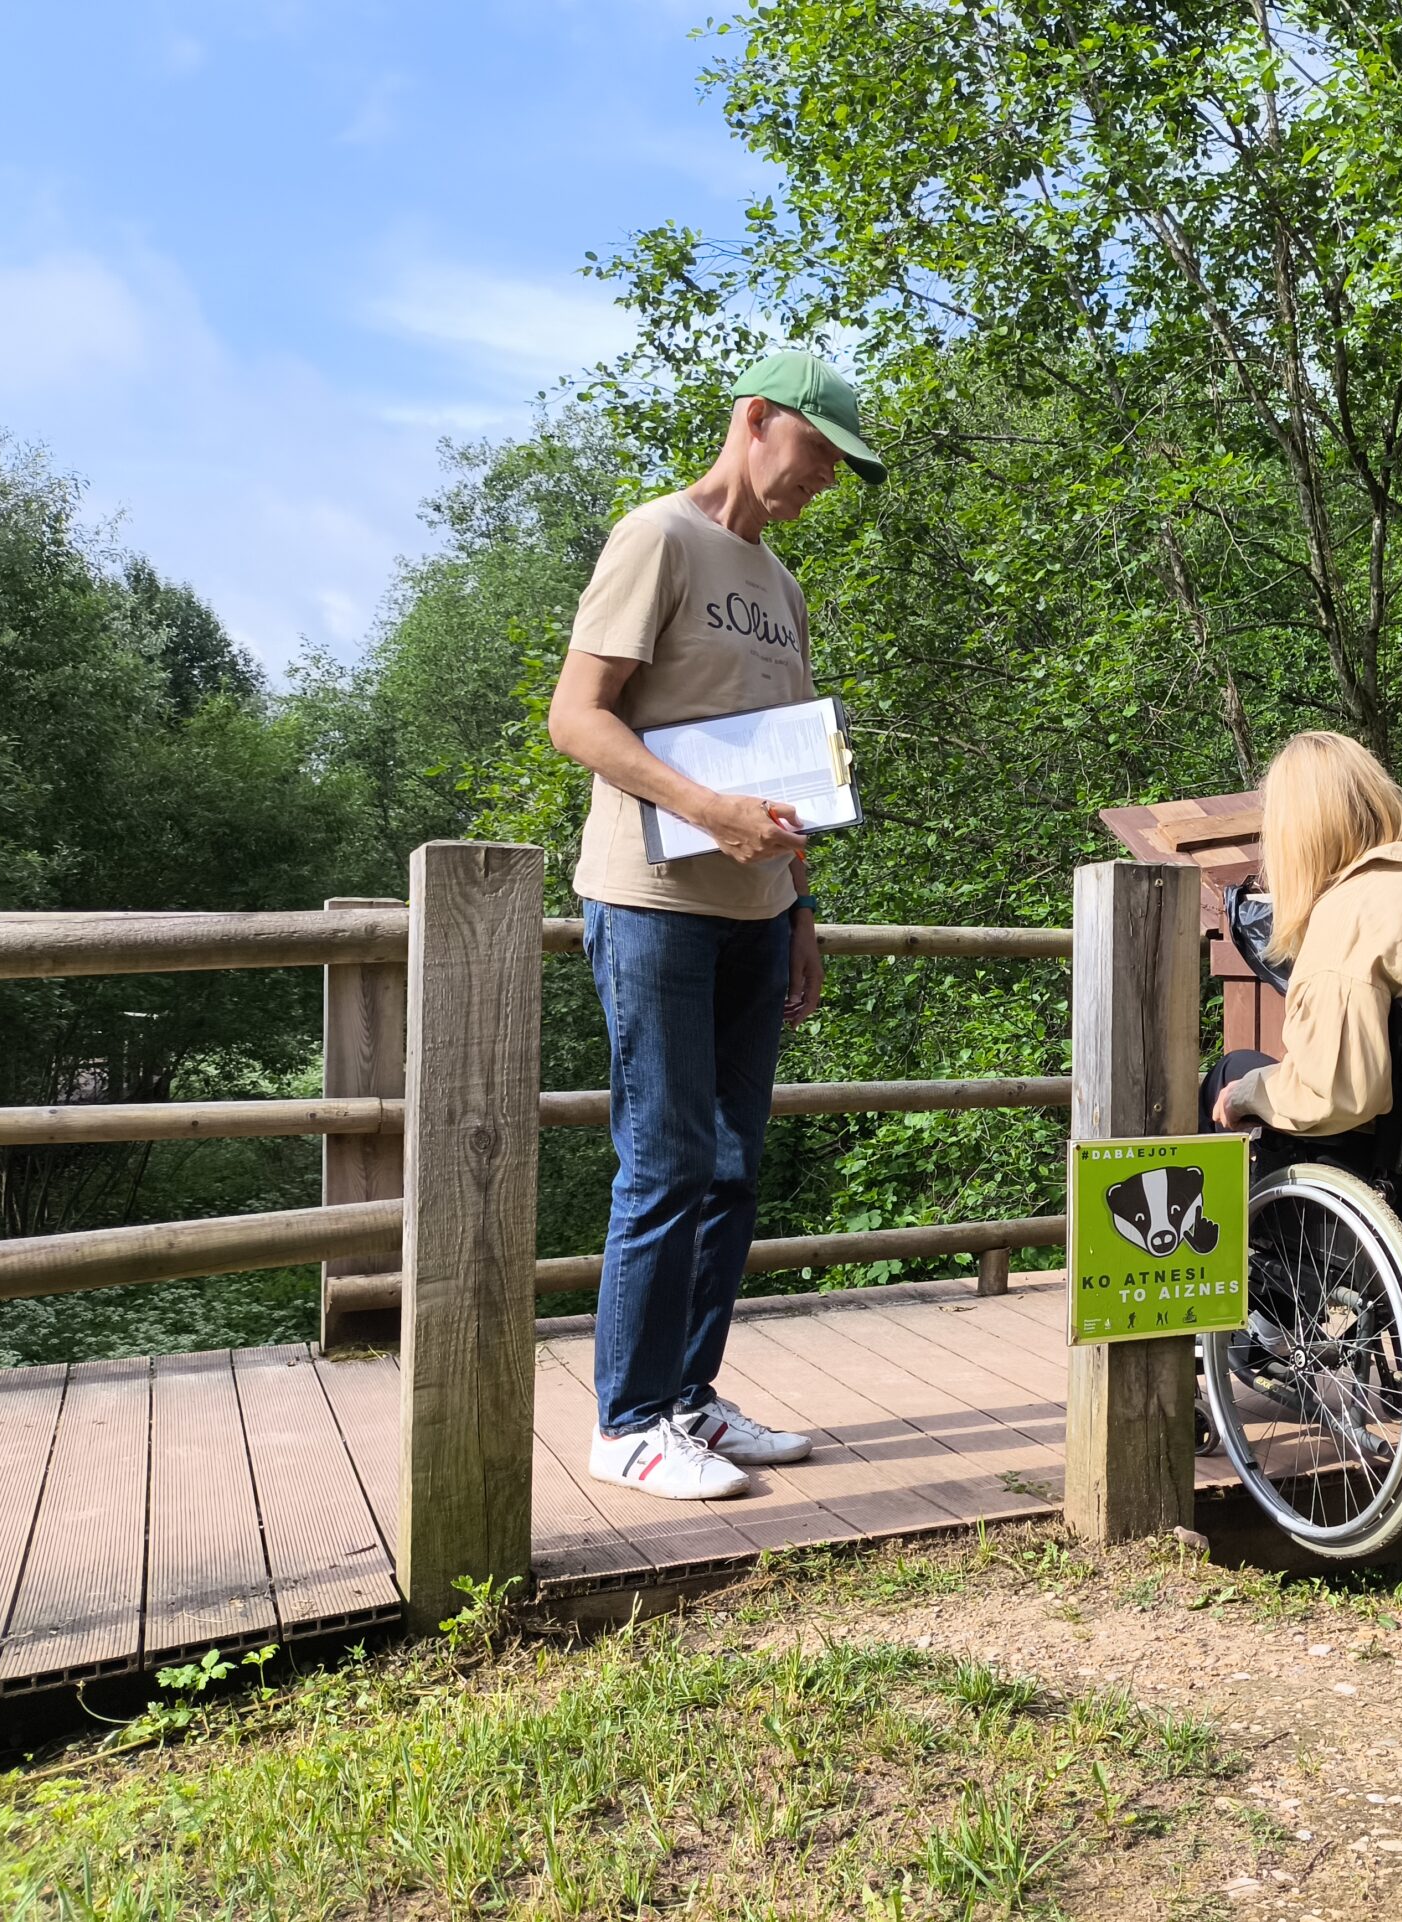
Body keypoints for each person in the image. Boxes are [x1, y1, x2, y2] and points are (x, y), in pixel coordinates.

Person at [546, 350, 886, 1502]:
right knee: (666, 1159)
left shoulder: (779, 582)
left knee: (735, 1166)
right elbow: (575, 719)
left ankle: (688, 1399)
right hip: (652, 905)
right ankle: (626, 1420)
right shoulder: (659, 537)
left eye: (842, 466)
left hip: (756, 906)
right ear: (757, 420)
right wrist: (705, 811)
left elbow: (789, 764)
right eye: (821, 452)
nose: (827, 479)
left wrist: (800, 906)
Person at [1207, 732, 1402, 1137]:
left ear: (1294, 836)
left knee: (1230, 1073)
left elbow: (1338, 1097)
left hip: (1395, 1151)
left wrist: (1243, 1094)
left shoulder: (1351, 914)